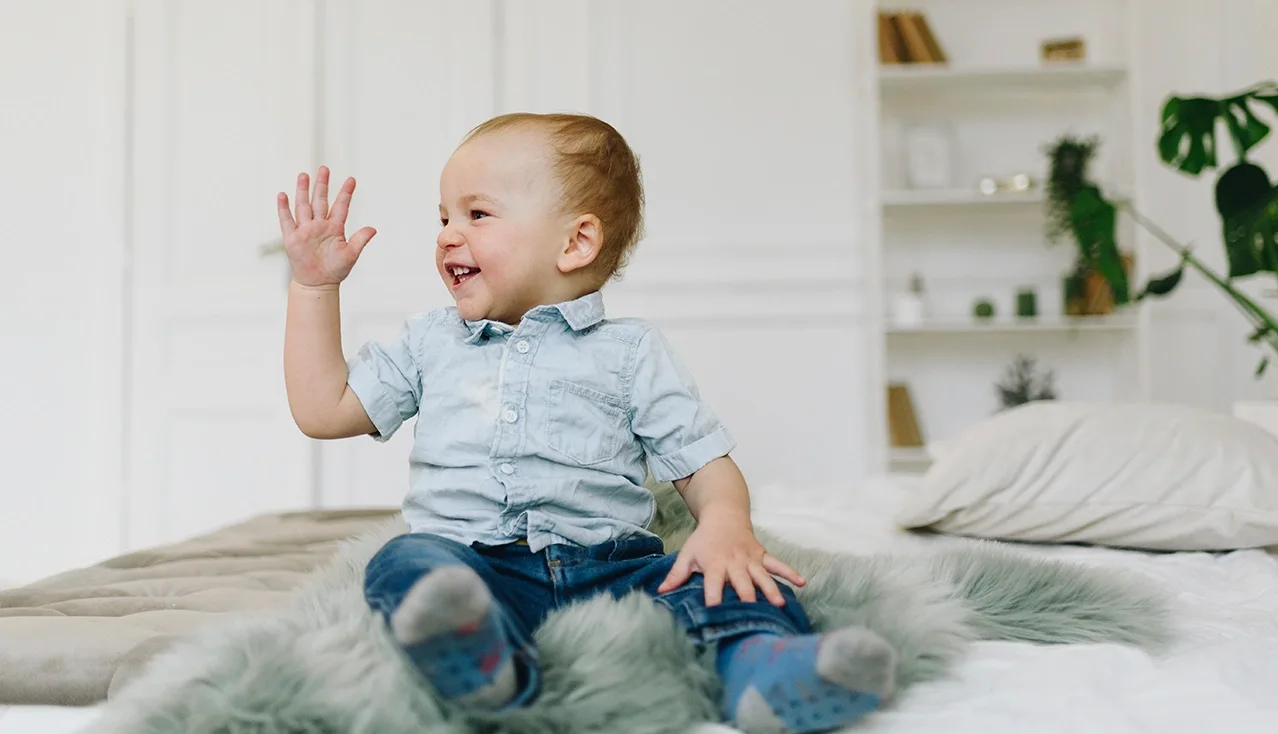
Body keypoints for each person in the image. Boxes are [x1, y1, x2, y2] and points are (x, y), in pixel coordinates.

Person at [274, 112, 895, 733]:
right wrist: (313, 288)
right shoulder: (430, 341)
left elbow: (703, 462)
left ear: (575, 243)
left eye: (476, 215)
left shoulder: (630, 351)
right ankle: (482, 658)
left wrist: (727, 526)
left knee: (743, 584)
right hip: (476, 569)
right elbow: (322, 409)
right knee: (405, 563)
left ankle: (768, 673)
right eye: (443, 217)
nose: (446, 236)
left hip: (615, 569)